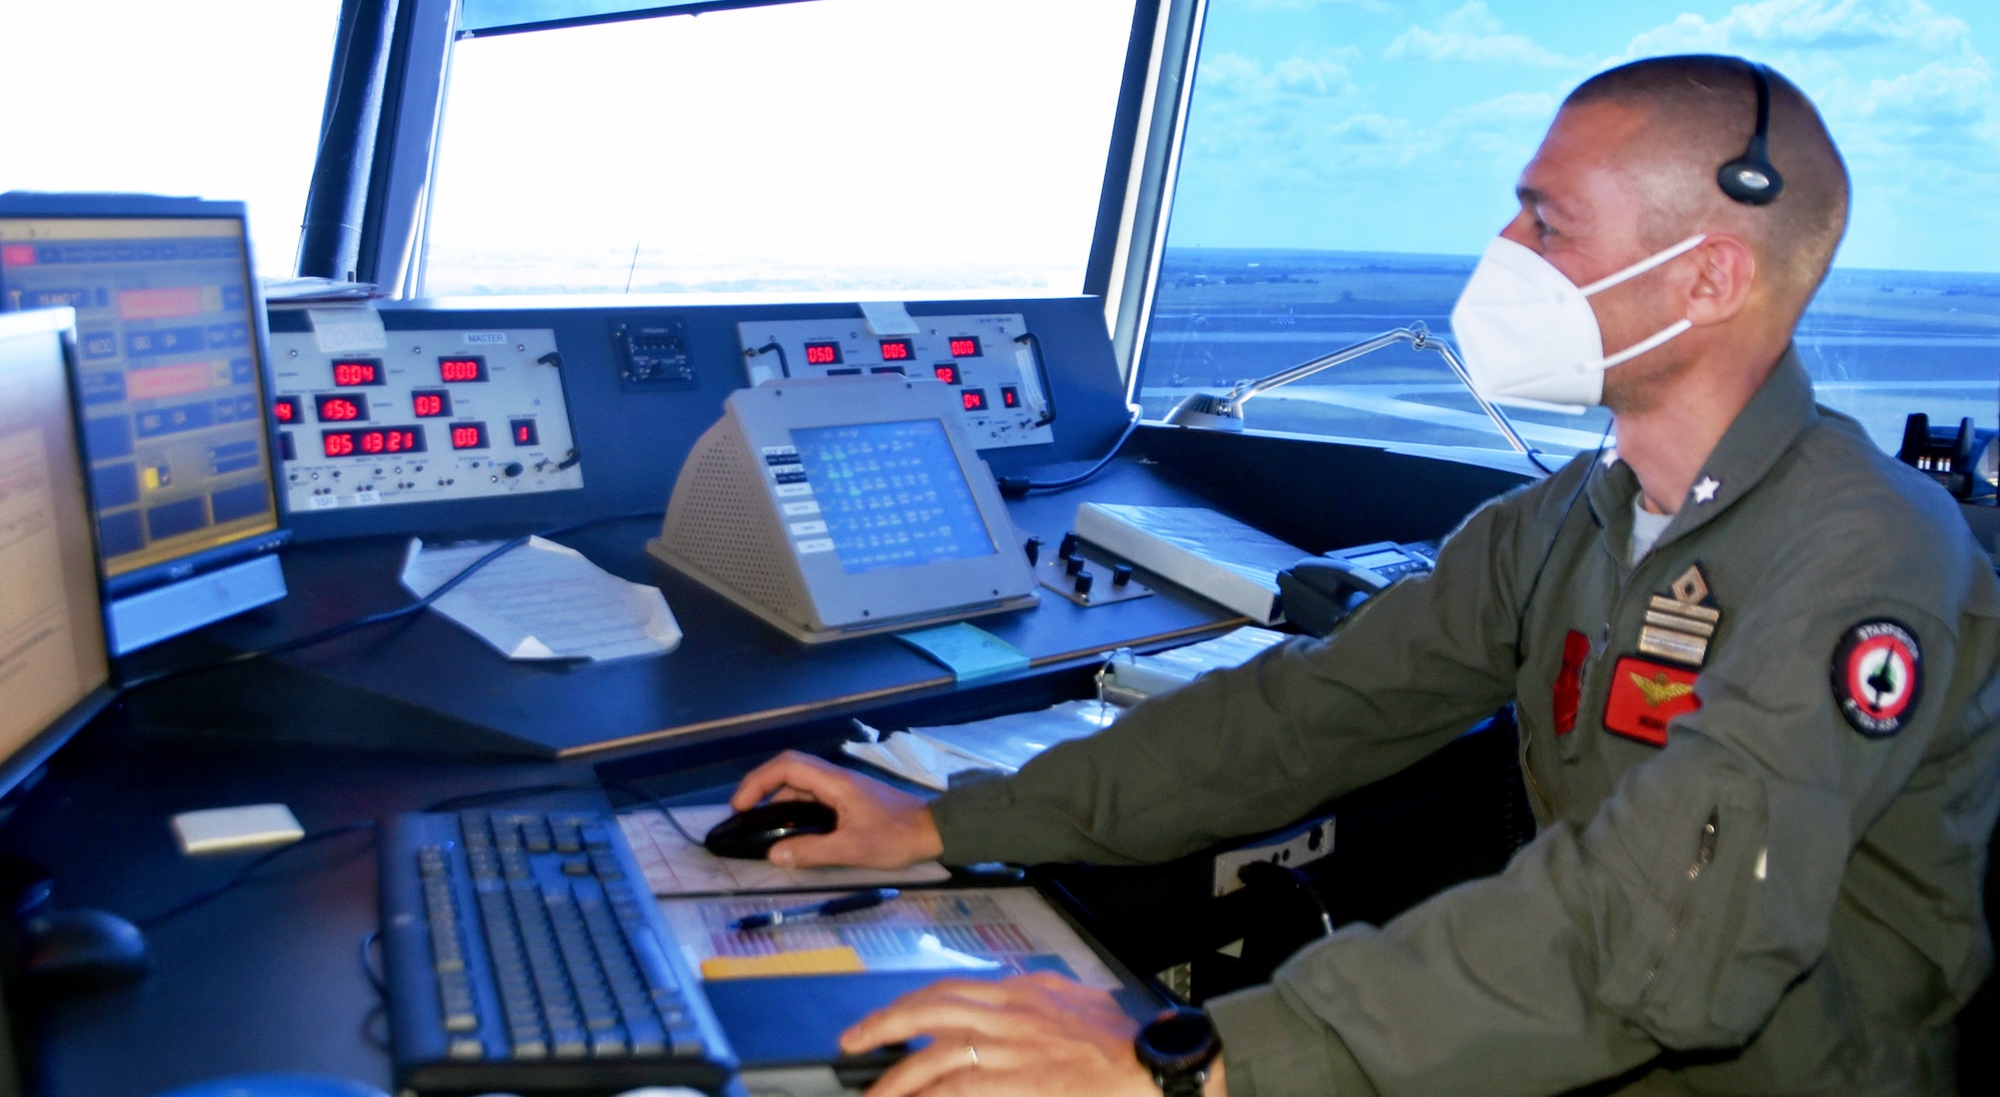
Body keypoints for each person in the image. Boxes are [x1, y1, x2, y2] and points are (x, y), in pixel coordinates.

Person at [729, 56, 2000, 1096]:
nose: (1501, 250)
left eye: (1545, 221)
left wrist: (1198, 1059)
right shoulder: (1568, 521)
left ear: (1708, 277)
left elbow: (1654, 937)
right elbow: (1307, 709)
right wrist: (950, 822)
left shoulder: (1862, 552)